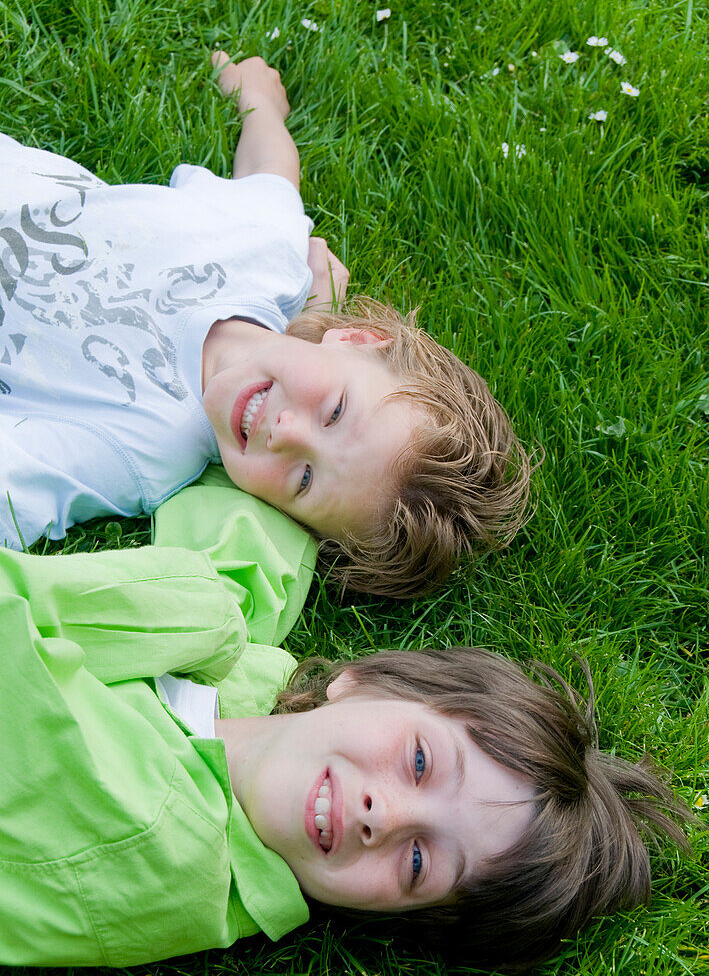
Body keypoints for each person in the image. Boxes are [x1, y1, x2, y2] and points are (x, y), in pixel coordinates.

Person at [0, 540, 689, 970]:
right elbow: (255, 550)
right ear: (362, 679)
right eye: (419, 763)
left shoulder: (157, 841)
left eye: (418, 861)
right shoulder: (246, 685)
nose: (380, 814)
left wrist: (192, 603)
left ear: (394, 916)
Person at [0, 53, 533, 597]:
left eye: (304, 480)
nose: (287, 434)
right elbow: (270, 176)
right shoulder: (267, 251)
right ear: (355, 338)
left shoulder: (146, 448)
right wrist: (259, 103)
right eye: (334, 412)